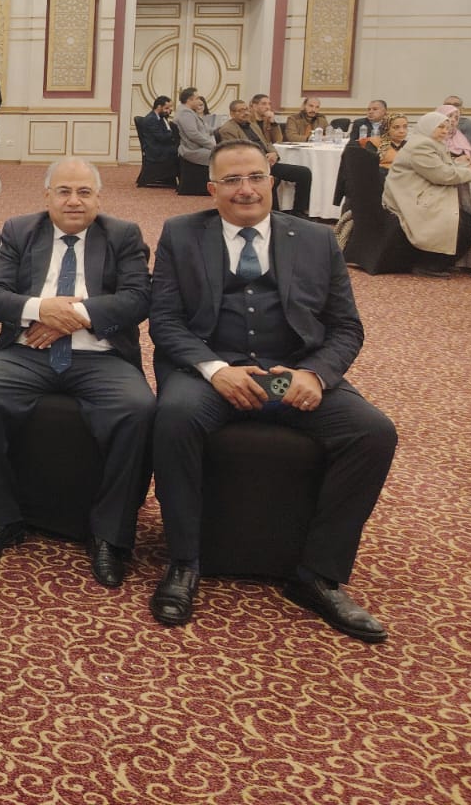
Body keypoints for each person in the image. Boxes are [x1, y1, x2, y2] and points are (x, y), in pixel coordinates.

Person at [149, 140, 398, 642]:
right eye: (232, 180)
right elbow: (166, 322)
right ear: (212, 188)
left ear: (271, 180)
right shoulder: (181, 233)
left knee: (373, 433)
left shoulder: (317, 239)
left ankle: (318, 574)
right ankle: (185, 561)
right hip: (213, 372)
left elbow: (346, 327)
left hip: (291, 374)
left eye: (256, 177)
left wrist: (315, 375)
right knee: (172, 418)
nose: (246, 190)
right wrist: (215, 369)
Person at [0, 159, 154, 586]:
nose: (73, 201)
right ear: (47, 196)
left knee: (138, 408)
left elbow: (139, 298)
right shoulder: (20, 231)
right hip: (29, 350)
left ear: (99, 198)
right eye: (63, 191)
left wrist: (75, 316)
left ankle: (109, 535)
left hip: (100, 355)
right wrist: (40, 308)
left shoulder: (123, 235)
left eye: (84, 192)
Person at [382, 111, 471, 278]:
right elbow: (441, 175)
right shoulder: (422, 145)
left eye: (447, 128)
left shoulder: (431, 143)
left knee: (464, 220)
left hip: (419, 190)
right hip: (410, 196)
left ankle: (441, 261)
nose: (445, 131)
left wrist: (460, 165)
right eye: (440, 127)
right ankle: (430, 264)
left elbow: (439, 168)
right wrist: (470, 172)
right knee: (462, 223)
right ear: (428, 127)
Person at [217, 99, 313, 216]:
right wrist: (261, 159)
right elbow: (237, 152)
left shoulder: (252, 125)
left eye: (246, 109)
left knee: (304, 173)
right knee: (273, 178)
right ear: (232, 114)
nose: (245, 113)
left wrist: (274, 153)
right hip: (252, 166)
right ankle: (274, 214)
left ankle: (298, 212)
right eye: (240, 111)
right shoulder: (227, 129)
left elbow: (267, 143)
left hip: (268, 162)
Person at [135, 95, 178, 186]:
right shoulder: (151, 119)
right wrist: (176, 133)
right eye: (167, 108)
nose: (169, 110)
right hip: (155, 150)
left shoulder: (160, 117)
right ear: (159, 107)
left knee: (180, 148)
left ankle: (171, 177)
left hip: (159, 146)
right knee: (180, 151)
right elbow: (162, 137)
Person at [175, 88, 218, 171]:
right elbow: (193, 135)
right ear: (189, 100)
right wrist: (212, 146)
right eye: (197, 98)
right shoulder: (185, 113)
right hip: (193, 150)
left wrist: (219, 129)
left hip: (197, 147)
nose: (199, 101)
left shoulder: (189, 112)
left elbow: (204, 129)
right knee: (221, 155)